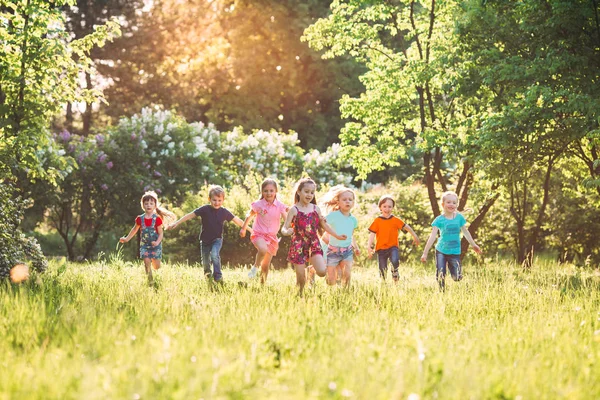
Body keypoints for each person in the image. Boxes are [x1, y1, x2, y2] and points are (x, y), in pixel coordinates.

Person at [167, 185, 249, 283]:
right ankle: (208, 276)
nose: (217, 203)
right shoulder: (205, 209)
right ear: (209, 199)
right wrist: (176, 223)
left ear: (223, 200)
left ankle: (218, 276)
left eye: (219, 200)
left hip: (217, 239)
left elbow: (238, 221)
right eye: (214, 200)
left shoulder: (224, 212)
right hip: (205, 240)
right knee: (206, 262)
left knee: (214, 254)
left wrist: (250, 230)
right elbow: (189, 215)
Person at [281, 177, 347, 294]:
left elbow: (324, 226)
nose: (309, 195)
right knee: (301, 280)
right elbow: (284, 227)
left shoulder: (316, 209)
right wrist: (286, 232)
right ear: (299, 192)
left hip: (313, 244)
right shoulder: (294, 210)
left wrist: (337, 236)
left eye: (312, 192)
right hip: (298, 245)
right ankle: (300, 296)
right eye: (306, 191)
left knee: (322, 271)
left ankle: (311, 272)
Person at [420, 191, 482, 291]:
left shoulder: (459, 218)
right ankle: (442, 293)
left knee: (456, 277)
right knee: (441, 273)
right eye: (448, 202)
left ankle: (453, 270)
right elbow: (432, 237)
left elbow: (466, 232)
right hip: (441, 250)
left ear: (457, 205)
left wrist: (473, 245)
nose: (451, 204)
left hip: (454, 251)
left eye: (454, 202)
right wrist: (425, 253)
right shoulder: (439, 220)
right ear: (443, 204)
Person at [120, 191, 176, 285]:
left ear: (155, 205)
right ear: (143, 205)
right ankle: (150, 282)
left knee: (157, 266)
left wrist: (157, 242)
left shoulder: (157, 219)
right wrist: (126, 239)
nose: (148, 205)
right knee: (146, 263)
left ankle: (156, 270)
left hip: (155, 245)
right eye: (146, 203)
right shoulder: (140, 219)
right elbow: (134, 230)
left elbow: (161, 233)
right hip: (145, 245)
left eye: (151, 203)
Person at [239, 178, 288, 283]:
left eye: (271, 191)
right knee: (262, 249)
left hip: (272, 238)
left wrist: (291, 227)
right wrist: (243, 228)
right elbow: (249, 216)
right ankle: (255, 267)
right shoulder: (258, 204)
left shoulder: (280, 206)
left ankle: (262, 286)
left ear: (276, 191)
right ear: (262, 192)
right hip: (258, 234)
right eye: (265, 191)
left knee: (265, 265)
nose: (269, 193)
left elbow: (287, 219)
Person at [367, 195, 420, 282]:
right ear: (380, 207)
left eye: (389, 207)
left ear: (392, 208)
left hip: (393, 247)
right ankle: (383, 285)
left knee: (395, 261)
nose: (387, 209)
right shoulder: (377, 221)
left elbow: (406, 227)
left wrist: (415, 236)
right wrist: (369, 246)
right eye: (384, 206)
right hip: (381, 248)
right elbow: (372, 234)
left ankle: (395, 271)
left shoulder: (395, 220)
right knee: (382, 270)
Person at [319, 185, 360, 287]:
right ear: (338, 202)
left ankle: (346, 293)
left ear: (353, 203)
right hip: (333, 250)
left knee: (346, 273)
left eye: (350, 200)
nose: (347, 202)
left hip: (347, 250)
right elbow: (322, 222)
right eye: (344, 199)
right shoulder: (334, 215)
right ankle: (331, 290)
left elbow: (351, 235)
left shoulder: (353, 220)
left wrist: (356, 247)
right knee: (331, 279)